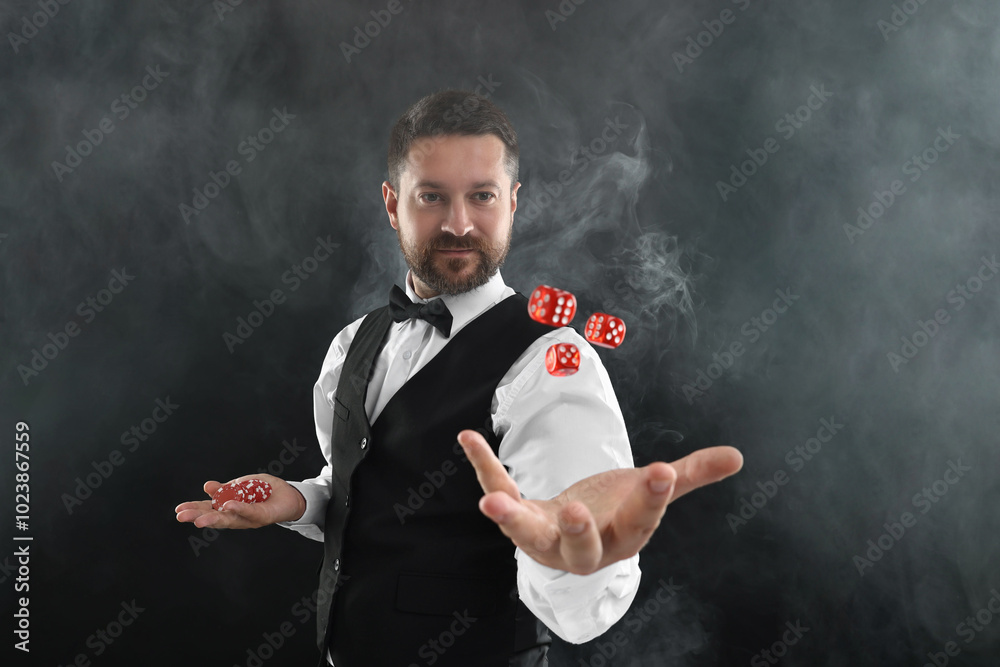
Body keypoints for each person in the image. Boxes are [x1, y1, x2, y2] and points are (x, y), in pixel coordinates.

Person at [175, 89, 743, 667]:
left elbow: (576, 586)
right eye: (432, 197)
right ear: (392, 204)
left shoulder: (549, 361)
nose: (459, 223)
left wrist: (577, 562)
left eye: (482, 196)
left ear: (513, 203)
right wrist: (299, 501)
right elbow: (372, 493)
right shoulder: (353, 344)